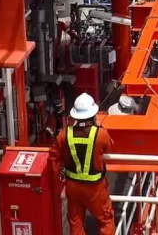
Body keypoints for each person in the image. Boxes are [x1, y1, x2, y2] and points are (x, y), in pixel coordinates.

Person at [50, 93, 115, 235]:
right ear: (93, 114)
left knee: (76, 222)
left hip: (72, 187)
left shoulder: (64, 135)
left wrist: (57, 180)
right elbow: (109, 146)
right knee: (105, 220)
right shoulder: (101, 134)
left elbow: (53, 157)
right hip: (95, 188)